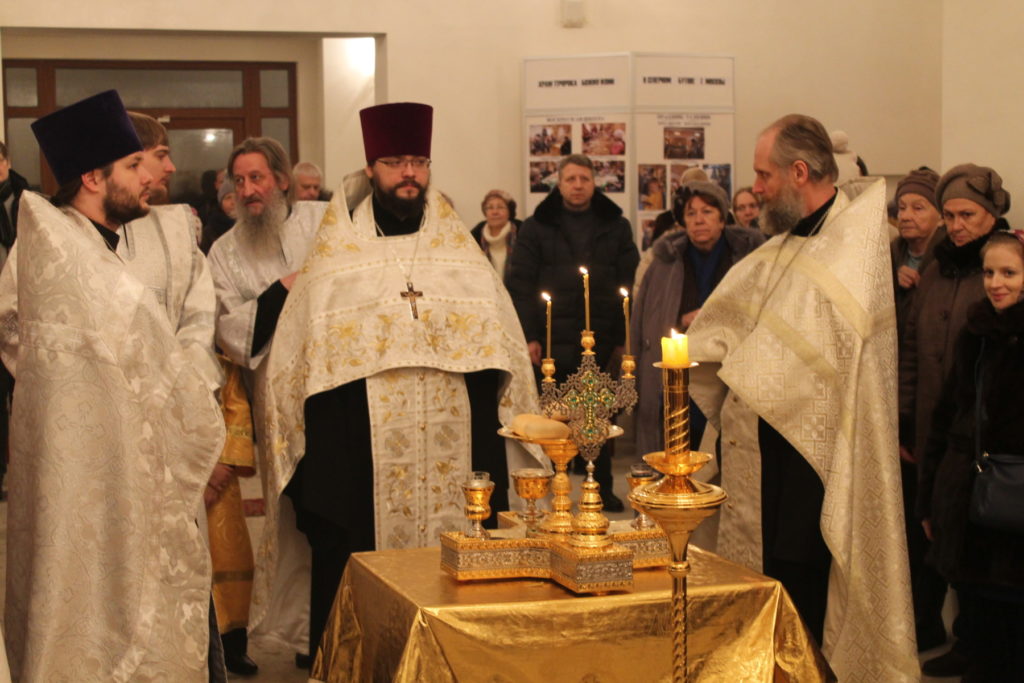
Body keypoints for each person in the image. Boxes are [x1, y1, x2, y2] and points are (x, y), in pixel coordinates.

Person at [250, 102, 543, 666]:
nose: (409, 173)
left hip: (458, 455)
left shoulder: (459, 254)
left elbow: (499, 347)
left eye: (418, 162)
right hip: (358, 461)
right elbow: (302, 360)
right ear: (371, 168)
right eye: (394, 162)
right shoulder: (337, 259)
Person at [0, 89, 225, 681]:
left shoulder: (88, 249)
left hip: (129, 460)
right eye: (131, 166)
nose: (147, 177)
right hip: (88, 467)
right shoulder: (68, 258)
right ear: (92, 178)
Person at [687, 114, 917, 681]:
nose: (757, 188)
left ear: (797, 172)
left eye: (764, 175)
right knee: (767, 586)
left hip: (814, 466)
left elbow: (824, 357)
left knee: (804, 596)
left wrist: (751, 362)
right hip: (762, 459)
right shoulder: (785, 245)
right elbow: (739, 320)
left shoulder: (852, 246)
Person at [900, 163, 1010, 678]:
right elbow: (911, 351)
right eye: (949, 215)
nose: (956, 225)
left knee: (981, 538)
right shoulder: (935, 271)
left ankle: (979, 643)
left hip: (986, 436)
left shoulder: (1001, 268)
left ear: (990, 216)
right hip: (935, 427)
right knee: (934, 528)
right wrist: (905, 419)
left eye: (967, 215)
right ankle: (944, 633)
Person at [918, 230, 1024, 681]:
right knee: (978, 611)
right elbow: (946, 416)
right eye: (989, 272)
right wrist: (930, 499)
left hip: (1015, 498)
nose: (996, 283)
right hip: (969, 492)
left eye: (1009, 273)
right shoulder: (976, 332)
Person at [509, 153, 640, 513]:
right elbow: (521, 284)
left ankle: (602, 486)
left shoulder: (616, 226)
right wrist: (530, 336)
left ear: (594, 182)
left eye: (584, 178)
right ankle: (553, 487)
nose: (578, 185)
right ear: (559, 183)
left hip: (601, 336)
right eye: (571, 179)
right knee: (553, 417)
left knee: (599, 416)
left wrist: (622, 337)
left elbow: (629, 282)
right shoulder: (536, 226)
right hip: (551, 338)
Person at [632, 180, 763, 458]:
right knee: (676, 453)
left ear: (722, 218)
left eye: (707, 212)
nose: (698, 220)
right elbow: (643, 320)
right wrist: (681, 319)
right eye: (691, 213)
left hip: (729, 372)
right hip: (678, 372)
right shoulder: (665, 262)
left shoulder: (748, 257)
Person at [888, 166, 949, 653]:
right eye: (902, 207)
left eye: (918, 206)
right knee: (901, 525)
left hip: (929, 407)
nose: (907, 215)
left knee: (927, 523)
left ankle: (927, 622)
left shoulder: (945, 262)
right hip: (892, 401)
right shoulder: (888, 256)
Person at [208, 137, 329, 373]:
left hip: (331, 373)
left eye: (256, 178)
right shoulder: (223, 252)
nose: (247, 191)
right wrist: (281, 290)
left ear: (282, 180)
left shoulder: (324, 220)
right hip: (271, 381)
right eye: (239, 181)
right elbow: (229, 330)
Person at [469, 188, 519, 282]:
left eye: (500, 207)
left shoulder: (522, 235)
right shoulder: (473, 239)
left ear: (510, 212)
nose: (495, 212)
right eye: (490, 208)